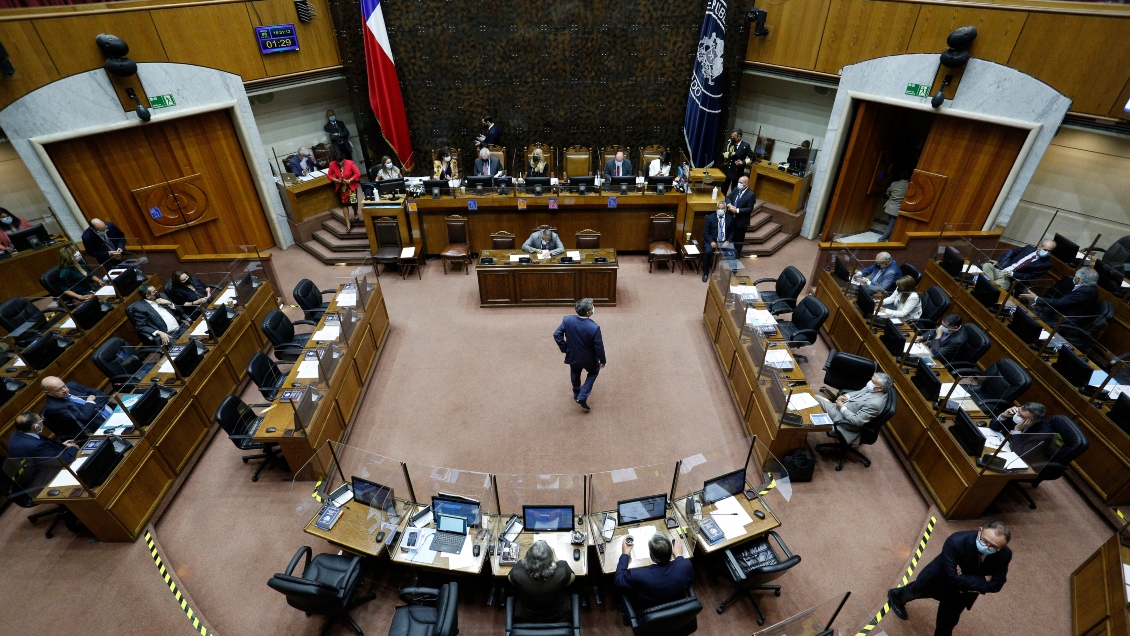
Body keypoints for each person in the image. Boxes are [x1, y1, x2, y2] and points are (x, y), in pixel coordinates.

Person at [888, 522, 1012, 636]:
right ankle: (896, 596)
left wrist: (963, 577)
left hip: (962, 594)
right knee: (914, 591)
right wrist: (983, 579)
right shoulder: (956, 541)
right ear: (980, 531)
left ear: (1003, 546)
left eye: (993, 546)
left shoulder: (1005, 555)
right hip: (938, 579)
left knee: (947, 624)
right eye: (985, 540)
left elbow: (996, 585)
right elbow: (953, 577)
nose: (987, 546)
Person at [614, 533, 694, 610]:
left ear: (651, 556)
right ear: (671, 551)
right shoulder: (685, 565)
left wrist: (625, 554)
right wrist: (679, 556)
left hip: (648, 611)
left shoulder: (637, 575)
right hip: (678, 608)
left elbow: (618, 580)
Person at [553, 298, 606, 411]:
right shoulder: (594, 328)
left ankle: (576, 392)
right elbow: (599, 347)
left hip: (573, 355)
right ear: (588, 312)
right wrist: (602, 360)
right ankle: (582, 395)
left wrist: (565, 348)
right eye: (592, 306)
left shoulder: (567, 320)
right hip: (589, 358)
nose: (593, 308)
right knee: (594, 371)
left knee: (575, 372)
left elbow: (557, 334)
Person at [508, 540, 575, 623]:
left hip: (527, 617)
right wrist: (555, 557)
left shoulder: (517, 574)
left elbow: (511, 579)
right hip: (556, 616)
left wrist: (528, 557)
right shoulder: (562, 572)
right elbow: (572, 579)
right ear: (551, 560)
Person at [815, 373, 892, 444]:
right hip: (844, 407)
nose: (870, 383)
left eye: (873, 381)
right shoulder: (873, 388)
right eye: (871, 380)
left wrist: (842, 408)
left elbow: (857, 421)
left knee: (815, 398)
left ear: (880, 389)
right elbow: (859, 392)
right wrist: (847, 396)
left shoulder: (875, 404)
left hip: (844, 419)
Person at [1019, 267, 1099, 329]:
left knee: (1030, 319)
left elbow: (1060, 303)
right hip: (1060, 313)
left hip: (1066, 321)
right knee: (1029, 310)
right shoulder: (1089, 289)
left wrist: (1037, 298)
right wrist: (1040, 301)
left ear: (1078, 279)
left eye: (1075, 277)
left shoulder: (1085, 291)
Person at [41, 376, 111, 440]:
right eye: (59, 390)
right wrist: (90, 402)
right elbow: (84, 418)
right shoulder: (54, 408)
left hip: (110, 410)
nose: (65, 390)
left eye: (64, 386)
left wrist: (96, 407)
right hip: (99, 427)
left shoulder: (72, 385)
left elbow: (101, 394)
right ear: (49, 393)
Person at [979, 239, 1056, 287]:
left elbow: (1031, 276)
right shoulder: (1028, 249)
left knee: (997, 286)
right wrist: (998, 261)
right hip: (1000, 270)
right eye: (1045, 250)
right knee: (987, 265)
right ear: (1039, 247)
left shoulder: (1046, 264)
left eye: (1050, 251)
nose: (1047, 252)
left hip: (1009, 279)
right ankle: (988, 283)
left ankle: (985, 283)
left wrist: (1012, 274)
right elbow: (1011, 252)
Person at [7, 412, 79, 462]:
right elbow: (65, 459)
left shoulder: (16, 435)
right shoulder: (36, 445)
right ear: (36, 427)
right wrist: (73, 447)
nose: (42, 420)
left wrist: (62, 446)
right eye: (40, 420)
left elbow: (45, 452)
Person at [988, 402, 1053, 457]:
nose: (1016, 415)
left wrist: (1017, 430)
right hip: (999, 444)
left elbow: (1019, 453)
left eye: (1022, 416)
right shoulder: (1018, 411)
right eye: (1018, 412)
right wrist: (1003, 416)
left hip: (1013, 456)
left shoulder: (1043, 435)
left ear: (1033, 421)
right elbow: (993, 427)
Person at [328, 149, 363, 231]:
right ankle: (348, 223)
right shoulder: (332, 164)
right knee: (344, 205)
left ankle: (355, 213)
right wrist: (336, 180)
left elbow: (357, 173)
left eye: (341, 161)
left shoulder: (349, 163)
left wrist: (350, 180)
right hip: (341, 188)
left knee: (354, 203)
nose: (339, 162)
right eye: (338, 161)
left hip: (350, 186)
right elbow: (329, 175)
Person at [702, 200, 734, 283]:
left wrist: (728, 241)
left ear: (725, 209)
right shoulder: (710, 218)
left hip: (724, 242)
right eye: (718, 208)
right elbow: (706, 232)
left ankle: (731, 273)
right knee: (707, 252)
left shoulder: (730, 218)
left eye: (722, 208)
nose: (720, 210)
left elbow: (732, 232)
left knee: (734, 252)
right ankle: (705, 273)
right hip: (712, 241)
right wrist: (711, 241)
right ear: (716, 209)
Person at [877, 170, 911, 242]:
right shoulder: (910, 186)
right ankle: (882, 240)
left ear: (901, 176)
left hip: (890, 206)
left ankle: (887, 237)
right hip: (898, 208)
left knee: (891, 223)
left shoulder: (894, 183)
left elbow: (887, 192)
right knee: (891, 225)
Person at [721, 129, 754, 194]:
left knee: (735, 191)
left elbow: (752, 157)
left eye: (734, 136)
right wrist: (730, 154)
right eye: (731, 136)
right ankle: (722, 203)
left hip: (737, 172)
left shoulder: (745, 146)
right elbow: (722, 153)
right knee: (723, 190)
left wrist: (743, 162)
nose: (732, 138)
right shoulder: (729, 143)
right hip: (727, 171)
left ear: (739, 137)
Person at [726, 175, 756, 245]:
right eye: (738, 182)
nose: (739, 184)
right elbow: (728, 197)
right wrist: (729, 205)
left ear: (746, 184)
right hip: (730, 218)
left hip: (740, 222)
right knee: (728, 237)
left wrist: (737, 210)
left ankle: (736, 255)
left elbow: (749, 209)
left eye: (741, 183)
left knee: (738, 241)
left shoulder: (751, 195)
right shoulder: (736, 189)